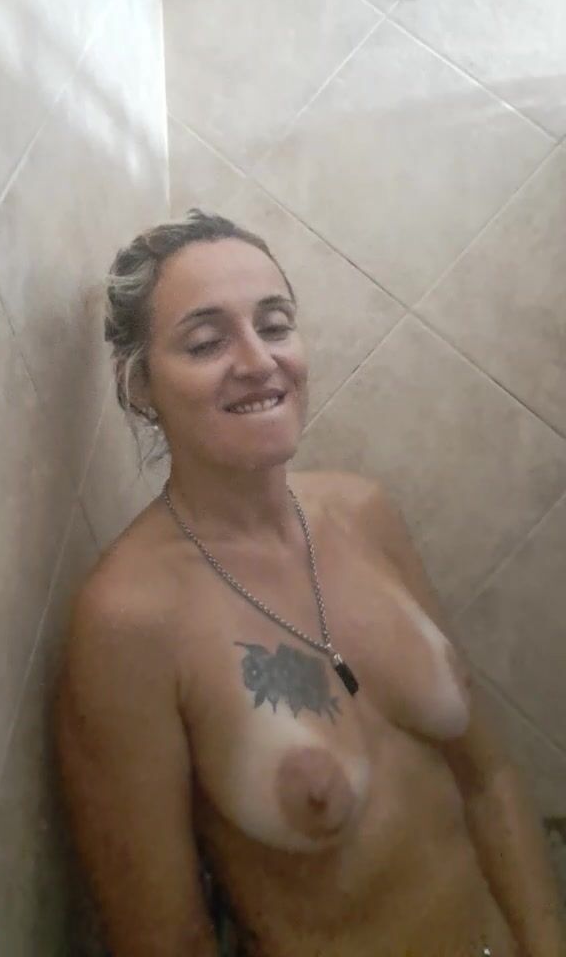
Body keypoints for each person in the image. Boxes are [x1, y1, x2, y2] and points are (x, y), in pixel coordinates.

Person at [57, 209, 565, 957]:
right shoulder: (129, 620)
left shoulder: (365, 513)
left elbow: (487, 779)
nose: (258, 360)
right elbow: (166, 940)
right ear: (140, 387)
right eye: (206, 342)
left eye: (276, 324)